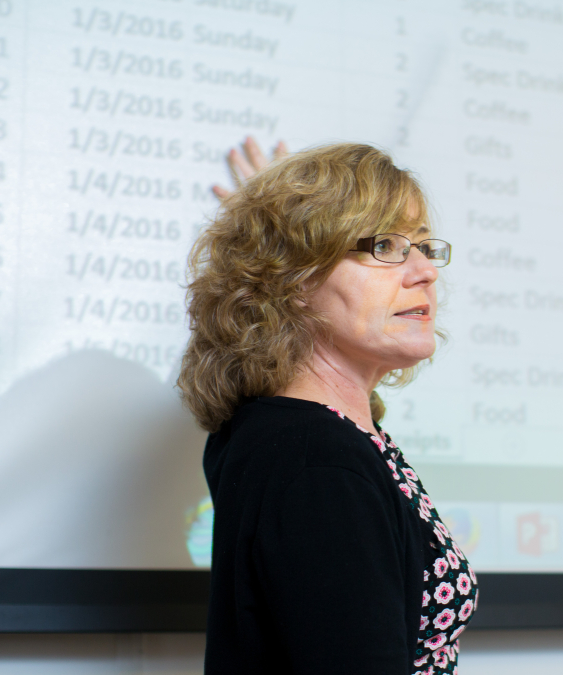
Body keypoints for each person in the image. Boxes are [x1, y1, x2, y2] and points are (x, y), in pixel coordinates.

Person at [179, 139, 476, 675]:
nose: (426, 271)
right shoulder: (315, 461)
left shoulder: (312, 439)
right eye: (385, 246)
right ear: (293, 278)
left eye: (426, 247)